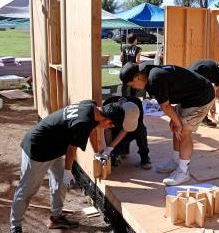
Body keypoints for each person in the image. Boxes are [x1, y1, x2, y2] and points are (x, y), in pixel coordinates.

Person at [10, 100, 138, 233]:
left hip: (54, 147)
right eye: (109, 126)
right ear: (108, 120)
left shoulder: (92, 107)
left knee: (60, 183)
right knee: (27, 189)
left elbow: (93, 130)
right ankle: (15, 227)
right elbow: (72, 149)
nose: (107, 128)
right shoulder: (83, 123)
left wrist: (96, 153)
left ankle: (56, 219)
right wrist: (67, 171)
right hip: (37, 150)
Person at [120, 62, 215, 186]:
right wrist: (175, 119)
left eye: (132, 84)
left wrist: (177, 121)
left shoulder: (155, 78)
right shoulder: (146, 72)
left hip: (201, 97)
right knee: (176, 127)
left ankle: (183, 171)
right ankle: (176, 161)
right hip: (188, 97)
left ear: (138, 77)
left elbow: (165, 105)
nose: (134, 88)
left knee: (184, 131)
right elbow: (170, 93)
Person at [102, 96, 151, 169]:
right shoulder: (109, 106)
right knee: (114, 152)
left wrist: (110, 148)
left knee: (140, 131)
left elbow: (126, 129)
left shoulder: (137, 104)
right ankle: (122, 151)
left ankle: (145, 157)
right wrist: (109, 148)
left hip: (133, 127)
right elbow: (108, 129)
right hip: (115, 127)